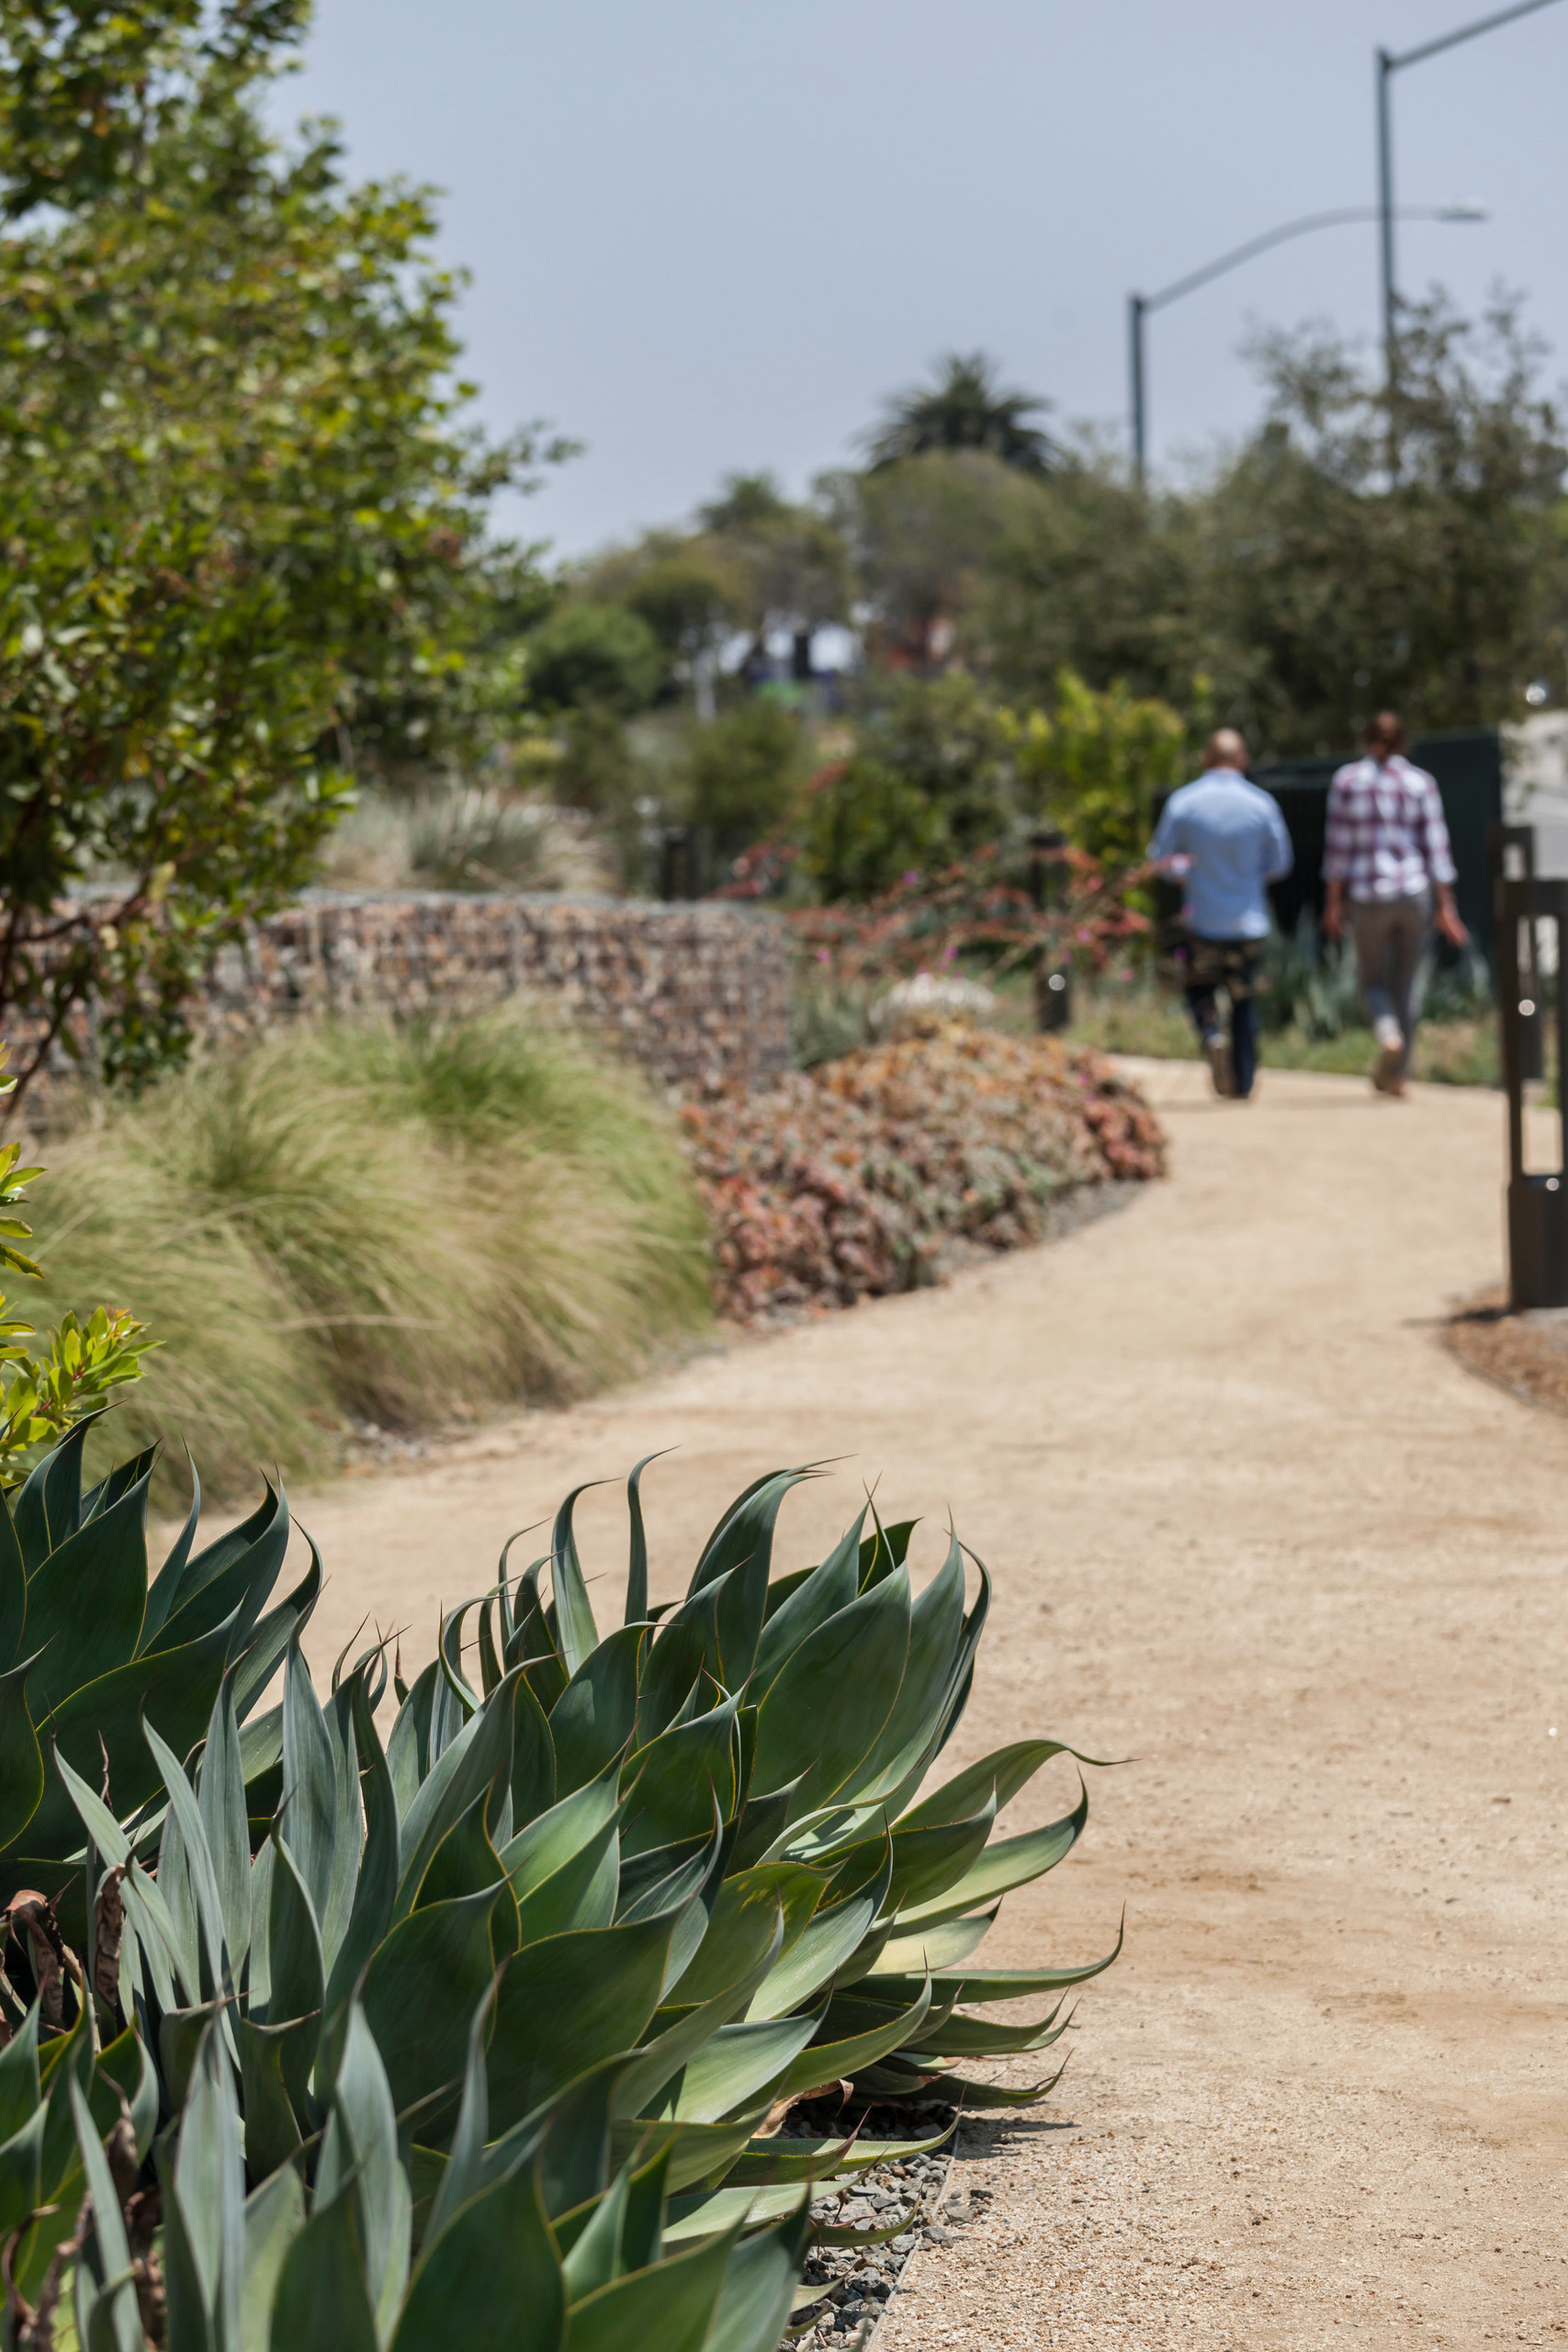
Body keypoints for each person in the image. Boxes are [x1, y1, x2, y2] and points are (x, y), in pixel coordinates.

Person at [1322, 712, 1469, 1098]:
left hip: (1368, 897)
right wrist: (1446, 907)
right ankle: (1399, 1075)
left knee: (1372, 982)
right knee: (1405, 984)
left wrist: (1333, 904)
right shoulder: (1420, 782)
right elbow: (1437, 849)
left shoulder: (1347, 781)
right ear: (1404, 741)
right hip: (1413, 894)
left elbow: (1337, 850)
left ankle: (1387, 1033)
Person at [1149, 727, 1293, 1100]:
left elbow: (1160, 861)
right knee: (1243, 997)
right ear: (1243, 760)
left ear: (1205, 759)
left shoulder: (1184, 802)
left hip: (1203, 920)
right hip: (1249, 921)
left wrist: (1186, 874)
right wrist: (1247, 875)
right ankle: (1243, 1082)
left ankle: (1211, 1034)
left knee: (1199, 987)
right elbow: (1280, 864)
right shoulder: (1261, 804)